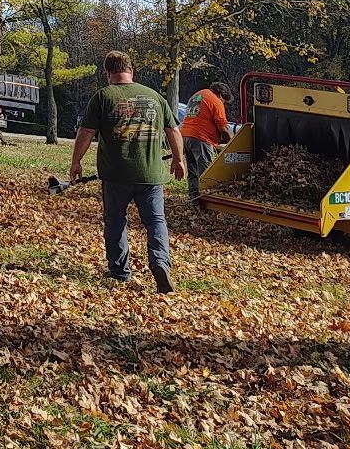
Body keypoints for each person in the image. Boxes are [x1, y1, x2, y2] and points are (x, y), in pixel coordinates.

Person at [69, 50, 185, 293]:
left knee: (115, 221)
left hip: (116, 174)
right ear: (131, 70)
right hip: (151, 174)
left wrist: (76, 162)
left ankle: (119, 271)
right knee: (155, 221)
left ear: (108, 73)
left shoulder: (103, 97)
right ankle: (160, 263)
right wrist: (178, 159)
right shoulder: (155, 97)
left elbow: (86, 133)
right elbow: (173, 130)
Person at [177, 80, 232, 202]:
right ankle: (207, 201)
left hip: (185, 136)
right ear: (222, 95)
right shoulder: (215, 101)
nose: (224, 104)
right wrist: (230, 140)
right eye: (225, 101)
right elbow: (223, 127)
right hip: (201, 138)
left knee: (193, 171)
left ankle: (194, 199)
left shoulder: (198, 95)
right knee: (206, 171)